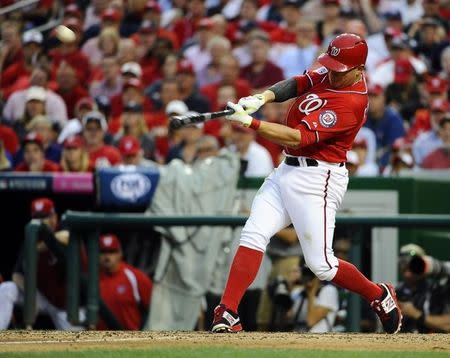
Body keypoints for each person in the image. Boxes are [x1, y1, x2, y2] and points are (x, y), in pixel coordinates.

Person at [211, 33, 402, 334]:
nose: (333, 71)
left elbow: (298, 136)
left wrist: (252, 123)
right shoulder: (333, 71)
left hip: (318, 178)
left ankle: (378, 295)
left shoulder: (351, 102)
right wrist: (262, 98)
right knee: (253, 234)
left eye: (340, 68)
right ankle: (228, 312)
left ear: (358, 69)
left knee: (322, 265)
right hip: (286, 169)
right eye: (332, 64)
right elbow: (299, 83)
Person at [0, 198, 85, 330]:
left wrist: (40, 246)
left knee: (80, 344)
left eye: (45, 216)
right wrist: (30, 296)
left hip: (68, 305)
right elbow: (17, 274)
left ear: (54, 217)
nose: (41, 221)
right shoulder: (31, 236)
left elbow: (67, 236)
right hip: (44, 297)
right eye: (37, 217)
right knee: (7, 288)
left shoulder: (64, 227)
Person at [97, 234, 153, 330]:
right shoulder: (92, 279)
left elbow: (154, 307)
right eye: (103, 252)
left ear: (120, 253)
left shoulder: (135, 277)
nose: (107, 256)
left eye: (112, 252)